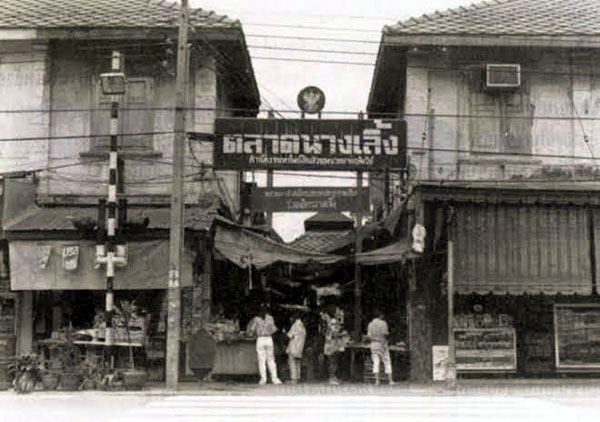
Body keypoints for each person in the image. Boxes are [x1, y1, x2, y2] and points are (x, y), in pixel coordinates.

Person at [247, 303, 282, 385]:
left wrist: (254, 333)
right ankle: (275, 378)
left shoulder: (256, 319)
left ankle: (263, 379)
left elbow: (252, 331)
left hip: (260, 339)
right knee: (271, 360)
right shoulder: (270, 318)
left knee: (261, 360)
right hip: (269, 339)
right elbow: (274, 330)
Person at [321, 305, 349, 385]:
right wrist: (343, 334)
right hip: (332, 344)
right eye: (339, 311)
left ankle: (333, 377)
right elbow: (334, 334)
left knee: (333, 361)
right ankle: (332, 377)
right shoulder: (334, 321)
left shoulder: (332, 321)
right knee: (333, 361)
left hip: (332, 343)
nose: (341, 313)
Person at [367, 309, 395, 385]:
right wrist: (384, 344)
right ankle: (390, 380)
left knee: (376, 362)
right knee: (387, 361)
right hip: (382, 343)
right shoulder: (383, 323)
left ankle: (377, 380)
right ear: (381, 315)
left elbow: (369, 336)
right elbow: (385, 334)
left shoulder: (370, 324)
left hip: (373, 344)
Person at [286, 313, 306, 384]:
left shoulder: (295, 325)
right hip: (300, 347)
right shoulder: (303, 327)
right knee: (297, 362)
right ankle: (297, 378)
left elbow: (289, 335)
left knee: (292, 362)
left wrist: (285, 331)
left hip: (293, 346)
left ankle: (293, 379)